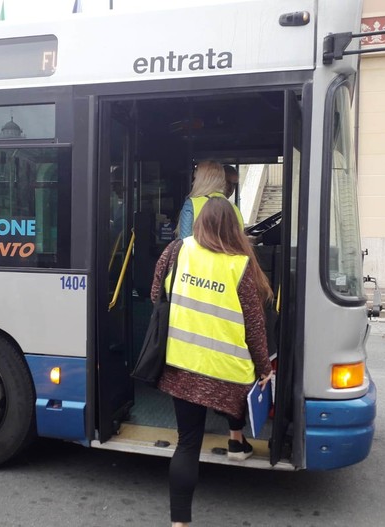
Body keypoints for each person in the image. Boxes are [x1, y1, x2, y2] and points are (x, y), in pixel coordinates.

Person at [152, 196, 274, 527]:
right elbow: (255, 328)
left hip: (182, 364)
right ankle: (237, 441)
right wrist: (265, 370)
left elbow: (155, 295)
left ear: (199, 222)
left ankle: (180, 523)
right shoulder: (240, 264)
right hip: (226, 373)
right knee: (235, 397)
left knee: (188, 443)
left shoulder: (177, 250)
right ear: (233, 228)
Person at [177, 160, 243, 239]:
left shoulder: (191, 204)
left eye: (195, 178)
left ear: (201, 180)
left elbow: (184, 242)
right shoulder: (234, 209)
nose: (193, 182)